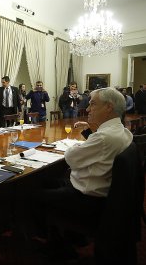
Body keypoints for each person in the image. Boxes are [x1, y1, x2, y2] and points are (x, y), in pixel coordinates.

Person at [22, 87, 133, 256]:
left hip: (86, 199)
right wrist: (92, 129)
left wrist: (81, 144)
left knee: (31, 194)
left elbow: (71, 158)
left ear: (109, 107)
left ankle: (53, 243)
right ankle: (71, 236)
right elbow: (98, 151)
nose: (88, 109)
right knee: (45, 180)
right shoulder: (122, 131)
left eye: (93, 104)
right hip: (103, 195)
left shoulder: (103, 137)